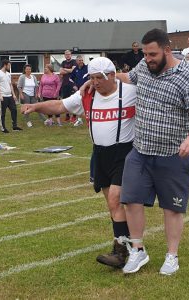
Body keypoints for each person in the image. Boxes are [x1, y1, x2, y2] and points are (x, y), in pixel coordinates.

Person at [21, 57, 137, 269]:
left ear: (111, 75)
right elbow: (59, 105)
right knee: (112, 205)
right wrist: (36, 106)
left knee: (115, 200)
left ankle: (121, 251)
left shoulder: (131, 91)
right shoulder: (88, 94)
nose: (95, 82)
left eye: (98, 78)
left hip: (124, 153)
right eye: (91, 78)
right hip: (100, 154)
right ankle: (128, 243)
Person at [116, 28, 189, 275]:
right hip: (140, 151)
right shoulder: (144, 67)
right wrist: (105, 77)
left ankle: (171, 256)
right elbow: (129, 78)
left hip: (173, 155)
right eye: (145, 54)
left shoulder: (187, 75)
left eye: (152, 53)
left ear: (167, 50)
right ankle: (138, 250)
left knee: (172, 208)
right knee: (131, 200)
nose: (148, 58)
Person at [0, 59, 22, 133]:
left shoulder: (8, 74)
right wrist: (0, 95)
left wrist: (13, 95)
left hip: (10, 96)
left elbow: (10, 85)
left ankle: (14, 126)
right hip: (2, 96)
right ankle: (3, 128)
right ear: (5, 65)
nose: (10, 67)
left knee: (14, 110)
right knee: (2, 113)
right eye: (9, 65)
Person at [68, 55, 88, 127]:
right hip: (79, 91)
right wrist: (74, 85)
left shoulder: (87, 68)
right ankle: (79, 119)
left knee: (86, 104)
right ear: (76, 62)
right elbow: (70, 79)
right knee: (79, 104)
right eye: (79, 60)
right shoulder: (75, 69)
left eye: (82, 60)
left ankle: (83, 119)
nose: (81, 62)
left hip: (87, 90)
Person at [59, 50, 77, 123]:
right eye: (66, 54)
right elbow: (61, 72)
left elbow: (73, 70)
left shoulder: (74, 61)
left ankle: (74, 116)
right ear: (64, 55)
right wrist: (68, 70)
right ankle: (67, 116)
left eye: (69, 54)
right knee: (65, 100)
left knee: (73, 100)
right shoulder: (63, 62)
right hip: (65, 84)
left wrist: (65, 69)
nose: (67, 55)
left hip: (72, 84)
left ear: (71, 55)